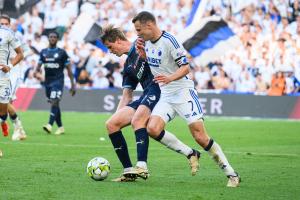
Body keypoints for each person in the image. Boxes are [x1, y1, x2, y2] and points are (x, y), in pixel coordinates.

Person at [133, 11, 241, 187]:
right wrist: (143, 55)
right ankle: (191, 153)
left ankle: (231, 174)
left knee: (201, 137)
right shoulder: (146, 43)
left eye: (139, 29)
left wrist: (169, 78)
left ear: (149, 25)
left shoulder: (170, 41)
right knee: (152, 128)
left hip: (183, 92)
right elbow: (157, 65)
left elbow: (185, 68)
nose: (137, 33)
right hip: (166, 94)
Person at [101, 25, 200, 182]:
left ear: (118, 41)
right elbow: (127, 95)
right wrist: (118, 115)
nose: (110, 51)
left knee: (139, 120)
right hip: (147, 94)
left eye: (110, 46)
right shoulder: (128, 65)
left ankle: (142, 166)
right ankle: (128, 171)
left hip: (160, 90)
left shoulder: (141, 44)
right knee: (111, 124)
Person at [34, 31, 76, 135]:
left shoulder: (62, 53)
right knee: (55, 104)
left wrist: (73, 85)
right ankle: (61, 127)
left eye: (54, 37)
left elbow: (69, 70)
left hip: (58, 81)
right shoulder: (43, 52)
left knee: (54, 101)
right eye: (51, 37)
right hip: (47, 82)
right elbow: (38, 67)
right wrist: (36, 72)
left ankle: (49, 125)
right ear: (48, 39)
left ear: (57, 39)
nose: (52, 38)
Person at [0, 14, 28, 141]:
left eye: (6, 24)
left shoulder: (15, 35)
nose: (4, 26)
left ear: (9, 24)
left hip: (13, 70)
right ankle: (17, 126)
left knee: (7, 101)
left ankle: (17, 127)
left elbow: (24, 51)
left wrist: (11, 64)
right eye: (2, 24)